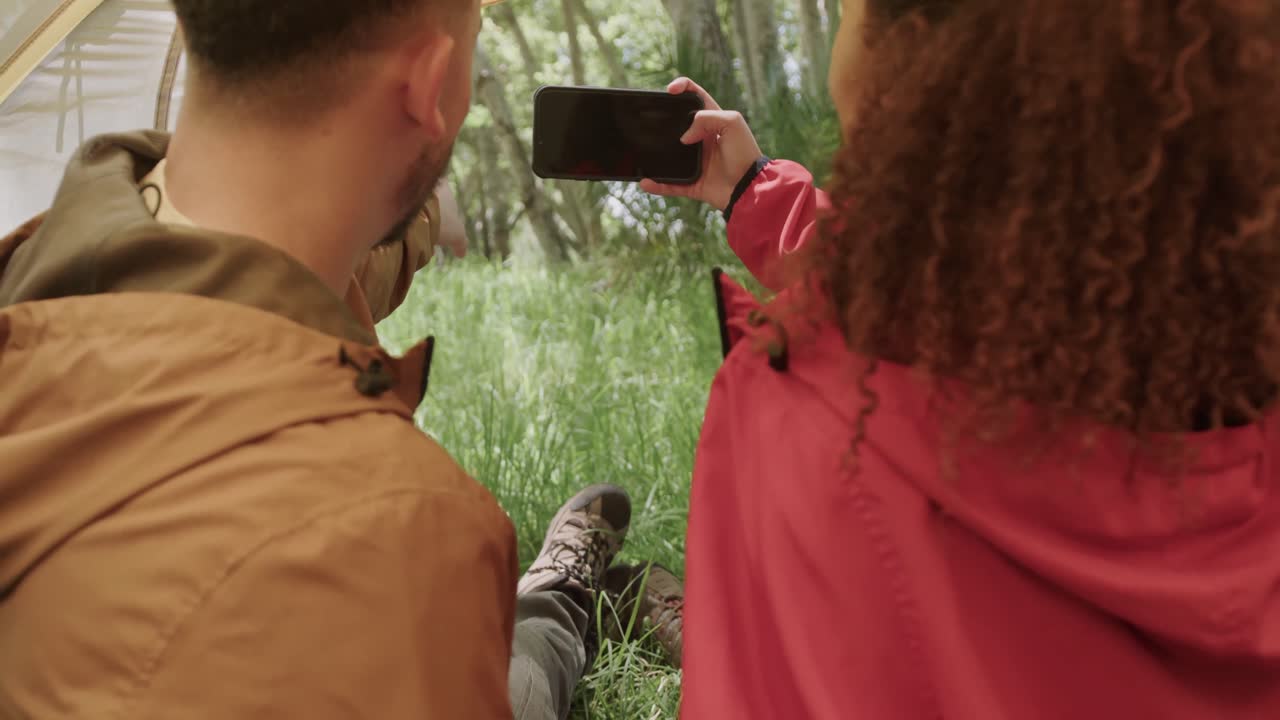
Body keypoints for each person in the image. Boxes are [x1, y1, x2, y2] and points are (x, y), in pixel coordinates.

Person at [0, 0, 678, 717]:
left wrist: (414, 214)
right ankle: (560, 599)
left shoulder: (49, 264)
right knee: (522, 680)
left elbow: (316, 267)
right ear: (430, 84)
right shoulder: (401, 536)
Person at [644, 0, 1280, 717]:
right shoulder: (1215, 327)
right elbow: (952, 269)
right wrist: (753, 191)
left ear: (905, 61)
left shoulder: (797, 428)